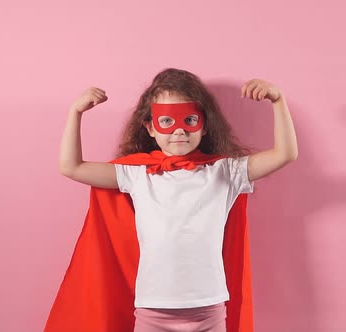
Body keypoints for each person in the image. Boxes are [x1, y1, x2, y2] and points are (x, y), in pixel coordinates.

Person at [49, 68, 298, 332]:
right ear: (150, 127)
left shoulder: (225, 172)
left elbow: (285, 154)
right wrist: (75, 113)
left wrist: (278, 101)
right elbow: (72, 167)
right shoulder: (138, 174)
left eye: (189, 119)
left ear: (204, 126)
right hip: (153, 309)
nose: (178, 130)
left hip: (209, 308)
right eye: (166, 121)